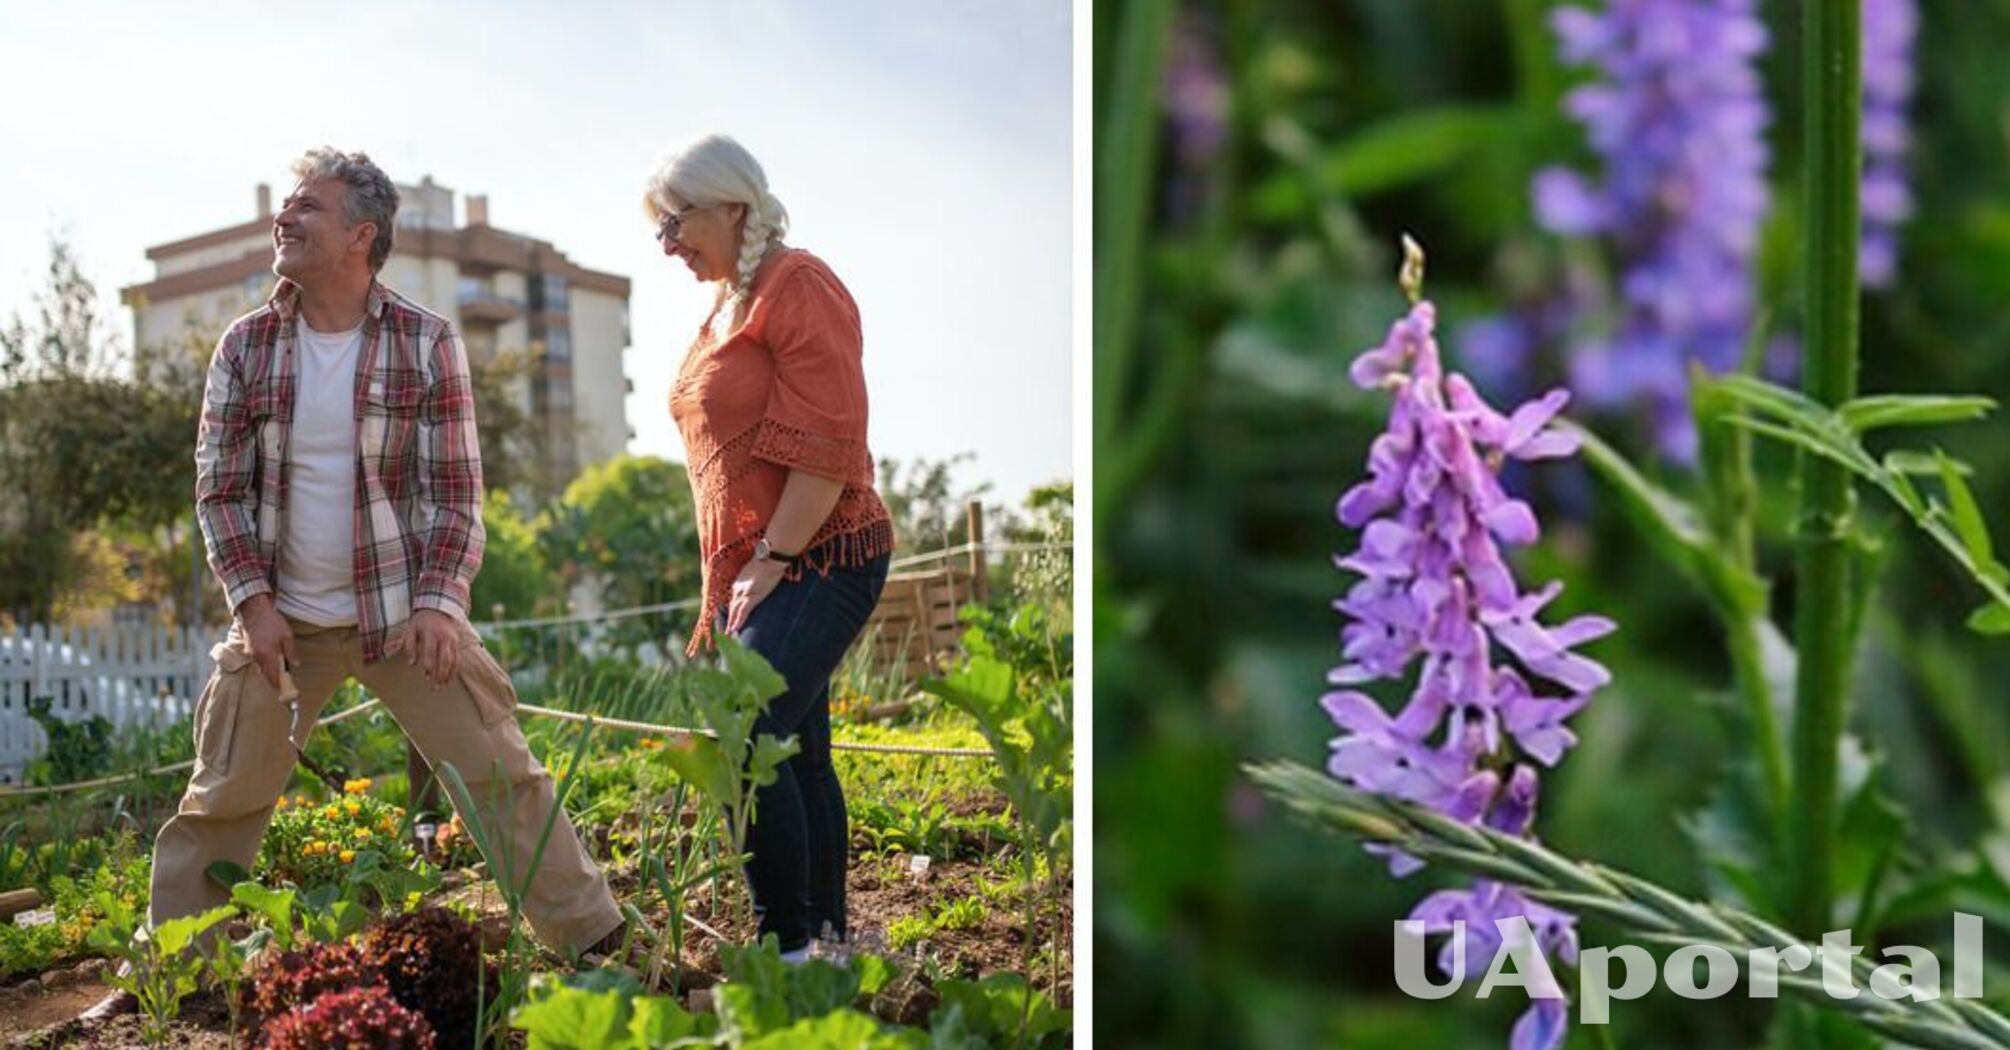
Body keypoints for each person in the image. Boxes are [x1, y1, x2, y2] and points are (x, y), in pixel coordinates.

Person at [85, 148, 623, 1021]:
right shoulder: (248, 343)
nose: (284, 219)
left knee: (501, 775)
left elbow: (456, 494)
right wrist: (252, 606)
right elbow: (217, 487)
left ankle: (599, 945)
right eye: (284, 206)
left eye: (307, 208)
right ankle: (171, 980)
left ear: (360, 236)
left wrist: (442, 604)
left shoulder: (426, 341)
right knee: (223, 795)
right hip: (282, 622)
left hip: (402, 615)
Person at [646, 134, 894, 960]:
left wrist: (774, 559)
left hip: (824, 553)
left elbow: (831, 443)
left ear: (734, 208)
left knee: (744, 737)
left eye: (677, 223)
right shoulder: (727, 306)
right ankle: (827, 941)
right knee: (797, 751)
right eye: (660, 230)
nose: (669, 244)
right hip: (769, 562)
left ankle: (787, 946)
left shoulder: (798, 285)